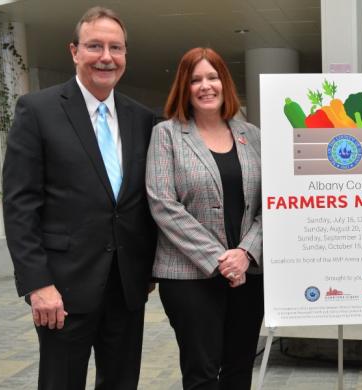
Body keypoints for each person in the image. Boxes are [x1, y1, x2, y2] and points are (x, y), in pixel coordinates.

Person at [2, 6, 156, 389]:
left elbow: (142, 203)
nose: (106, 57)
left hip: (126, 287)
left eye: (115, 48)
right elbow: (20, 206)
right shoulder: (37, 110)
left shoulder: (143, 119)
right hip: (62, 291)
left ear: (125, 56)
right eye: (95, 46)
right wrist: (38, 285)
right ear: (74, 51)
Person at [146, 47, 263, 389]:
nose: (205, 86)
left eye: (212, 77)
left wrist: (245, 253)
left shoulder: (252, 135)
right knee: (201, 374)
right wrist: (219, 259)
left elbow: (272, 204)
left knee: (240, 369)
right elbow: (163, 204)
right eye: (195, 79)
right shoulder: (166, 134)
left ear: (225, 83)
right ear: (184, 87)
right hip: (188, 277)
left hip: (249, 273)